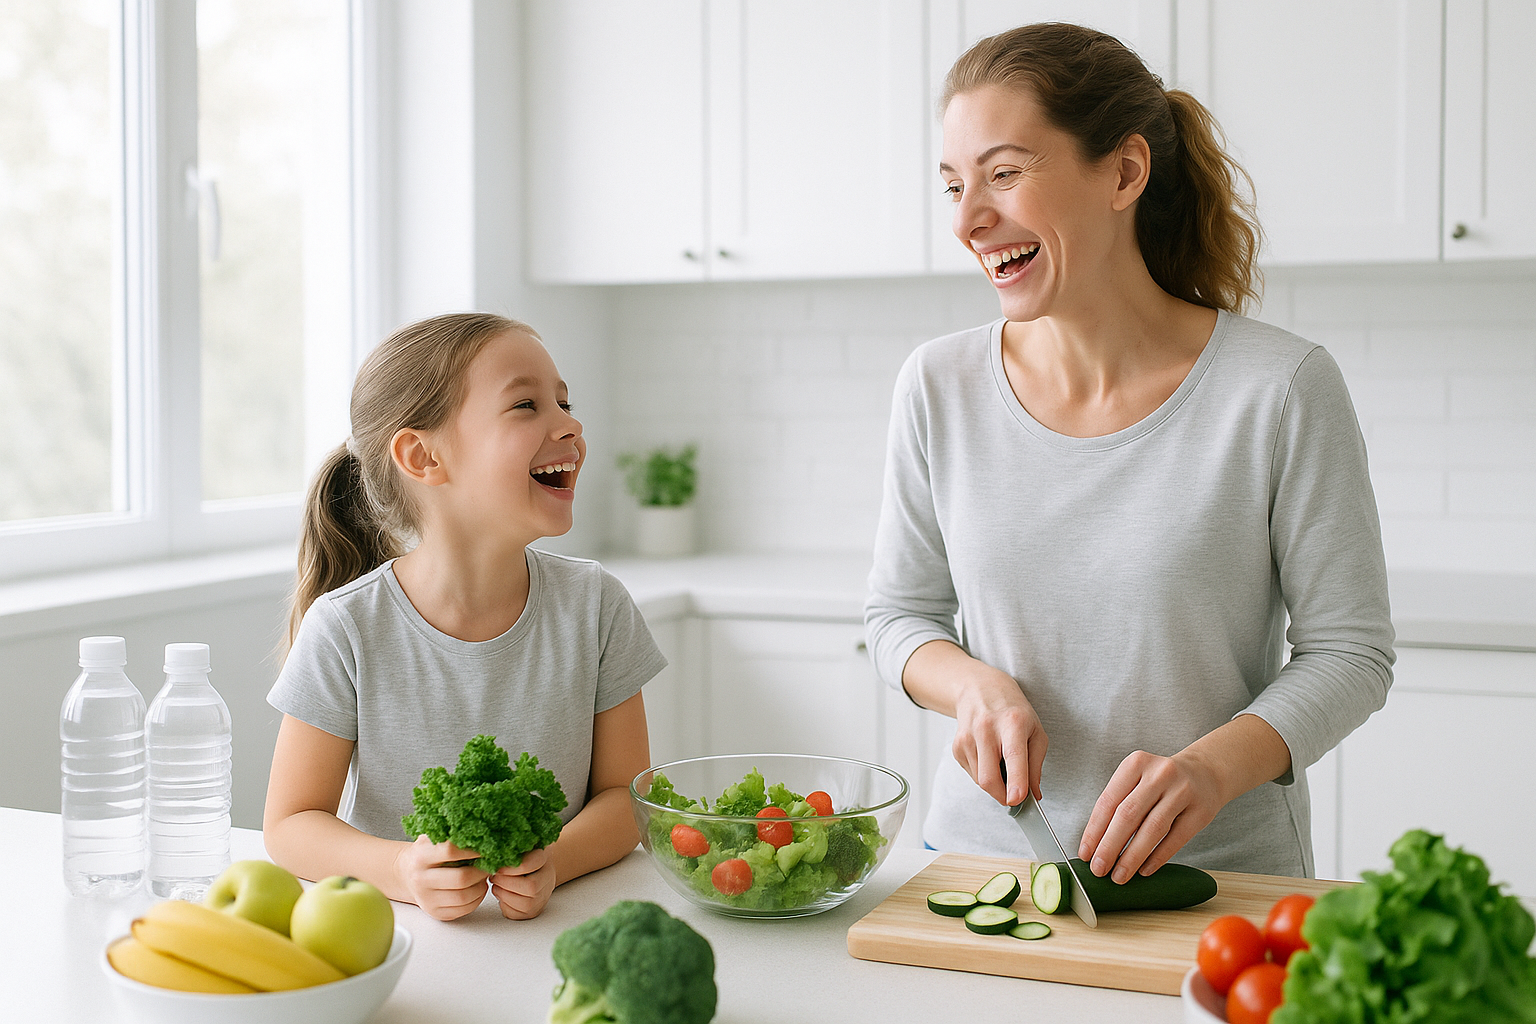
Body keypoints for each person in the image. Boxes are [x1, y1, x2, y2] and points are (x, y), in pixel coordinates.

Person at [864, 23, 1394, 881]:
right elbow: (898, 617)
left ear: (1125, 171)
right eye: (954, 184)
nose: (968, 218)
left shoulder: (1280, 388)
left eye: (1004, 173)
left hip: (1219, 879)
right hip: (981, 864)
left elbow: (1351, 653)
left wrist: (1211, 770)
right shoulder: (937, 384)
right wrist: (974, 686)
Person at [264, 312, 664, 921]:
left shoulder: (595, 605)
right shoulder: (345, 627)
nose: (571, 424)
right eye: (526, 405)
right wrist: (401, 869)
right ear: (423, 456)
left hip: (561, 927)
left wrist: (555, 859)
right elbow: (291, 825)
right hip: (402, 942)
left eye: (563, 401)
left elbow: (627, 797)